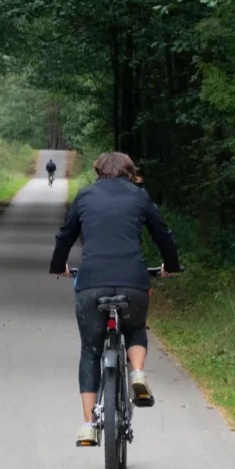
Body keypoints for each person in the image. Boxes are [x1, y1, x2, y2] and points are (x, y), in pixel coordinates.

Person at [48, 152, 181, 446]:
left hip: (91, 283)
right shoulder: (140, 196)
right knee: (135, 329)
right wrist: (170, 265)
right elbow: (163, 235)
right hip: (133, 282)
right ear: (129, 172)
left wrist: (58, 266)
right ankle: (137, 373)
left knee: (90, 351)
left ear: (98, 172)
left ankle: (87, 424)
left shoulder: (84, 197)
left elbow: (65, 237)